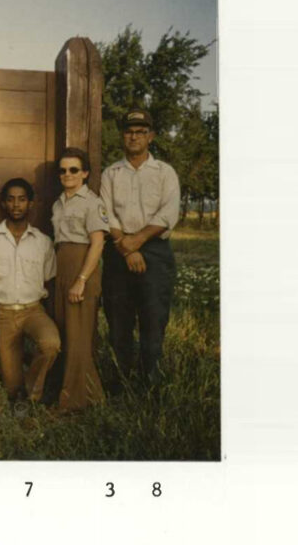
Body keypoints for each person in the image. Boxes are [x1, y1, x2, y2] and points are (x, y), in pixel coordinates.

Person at [100, 109, 181, 389]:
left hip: (155, 252)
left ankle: (150, 383)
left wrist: (138, 241)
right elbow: (105, 213)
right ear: (122, 135)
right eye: (129, 131)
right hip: (118, 249)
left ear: (151, 136)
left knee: (153, 316)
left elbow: (169, 212)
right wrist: (127, 248)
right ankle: (121, 381)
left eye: (140, 131)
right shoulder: (110, 174)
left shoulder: (164, 173)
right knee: (118, 317)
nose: (134, 136)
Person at [0, 178, 61, 403]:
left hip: (34, 311)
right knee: (12, 388)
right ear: (3, 204)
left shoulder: (42, 241)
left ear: (30, 204)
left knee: (51, 344)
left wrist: (53, 321)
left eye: (22, 199)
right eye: (10, 199)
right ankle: (19, 391)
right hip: (4, 315)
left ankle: (31, 392)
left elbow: (50, 283)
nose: (16, 205)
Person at [47, 148, 108, 412]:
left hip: (82, 267)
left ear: (84, 173)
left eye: (73, 169)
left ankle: (74, 401)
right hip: (61, 266)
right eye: (62, 170)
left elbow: (97, 244)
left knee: (79, 336)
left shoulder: (92, 202)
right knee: (65, 333)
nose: (67, 174)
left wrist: (82, 279)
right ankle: (88, 395)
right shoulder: (58, 202)